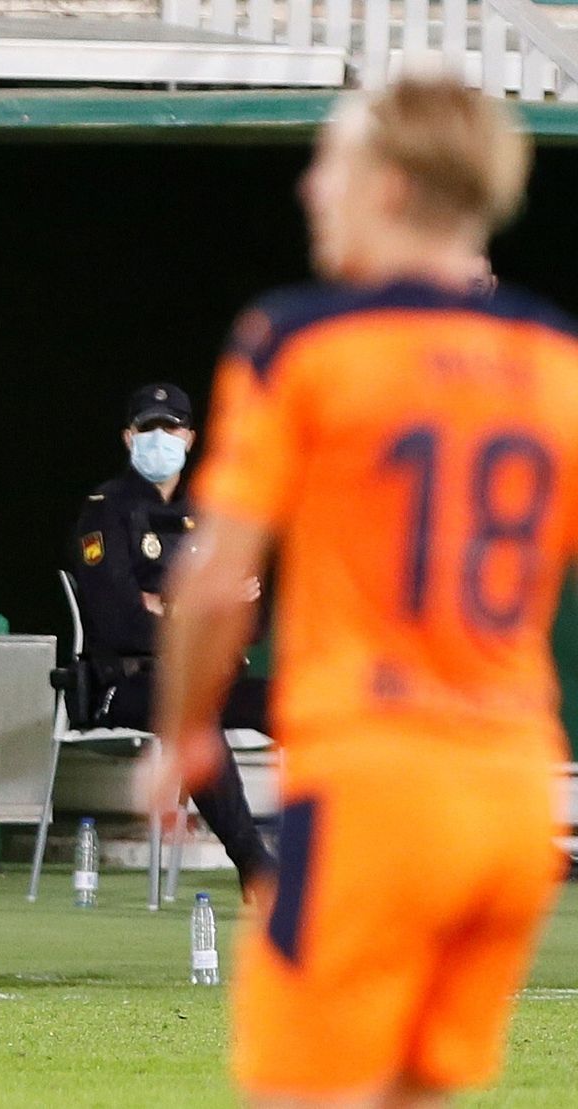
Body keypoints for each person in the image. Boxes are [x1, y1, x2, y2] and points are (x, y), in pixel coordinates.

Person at [149, 76, 572, 1108]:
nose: (309, 186)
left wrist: (182, 733)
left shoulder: (304, 339)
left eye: (329, 161)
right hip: (518, 792)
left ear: (386, 186)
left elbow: (212, 582)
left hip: (377, 782)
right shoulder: (555, 356)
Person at [69, 382, 274, 890]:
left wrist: (168, 605)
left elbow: (253, 618)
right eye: (148, 428)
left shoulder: (208, 512)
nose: (160, 438)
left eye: (171, 427)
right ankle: (256, 866)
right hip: (127, 684)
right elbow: (118, 622)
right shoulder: (104, 510)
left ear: (189, 437)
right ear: (128, 437)